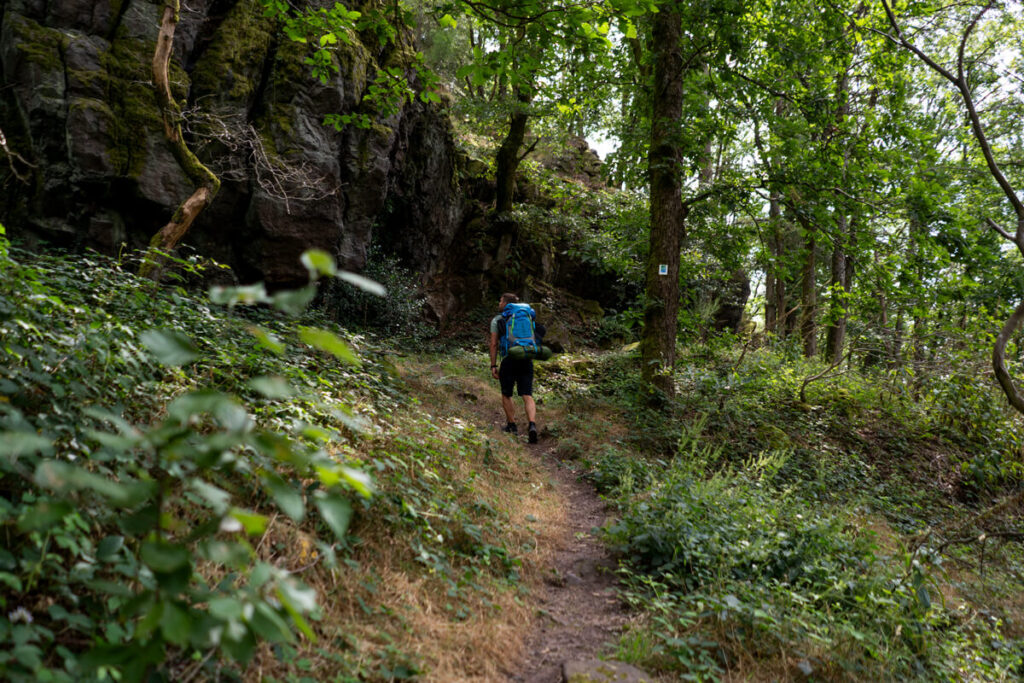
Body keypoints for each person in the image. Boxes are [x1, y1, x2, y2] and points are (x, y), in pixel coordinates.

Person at [489, 292, 544, 443]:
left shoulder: (498, 319)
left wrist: (493, 365)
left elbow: (493, 344)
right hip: (526, 357)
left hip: (510, 358)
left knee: (507, 394)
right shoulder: (527, 316)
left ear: (506, 303)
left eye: (500, 301)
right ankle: (532, 425)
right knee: (527, 394)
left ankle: (512, 426)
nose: (499, 304)